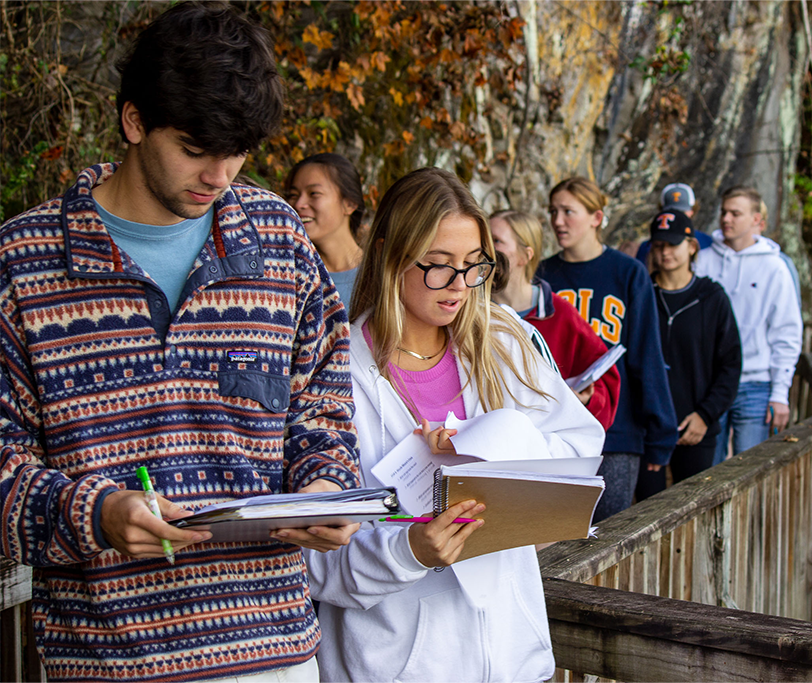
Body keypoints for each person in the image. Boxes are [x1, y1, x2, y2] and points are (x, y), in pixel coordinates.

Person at [0, 4, 360, 681]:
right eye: (196, 150)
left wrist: (326, 486)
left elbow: (323, 412)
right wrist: (96, 512)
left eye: (237, 153)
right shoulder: (23, 262)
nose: (220, 175)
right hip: (106, 661)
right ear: (135, 121)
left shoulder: (281, 241)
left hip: (274, 651)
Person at [305, 168, 604, 682]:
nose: (461, 286)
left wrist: (492, 443)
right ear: (388, 255)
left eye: (474, 265)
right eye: (439, 267)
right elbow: (315, 562)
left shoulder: (505, 340)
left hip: (512, 659)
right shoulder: (337, 370)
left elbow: (580, 447)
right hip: (395, 666)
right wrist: (410, 550)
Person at [536, 176, 676, 521]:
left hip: (616, 433)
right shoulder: (542, 275)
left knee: (609, 541)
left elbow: (646, 354)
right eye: (553, 211)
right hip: (554, 434)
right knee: (554, 542)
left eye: (569, 211)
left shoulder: (628, 273)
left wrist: (660, 433)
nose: (557, 221)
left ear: (596, 217)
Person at [634, 208, 742, 500]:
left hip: (695, 427)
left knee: (694, 508)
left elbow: (731, 365)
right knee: (645, 511)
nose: (665, 251)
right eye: (658, 245)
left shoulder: (712, 297)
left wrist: (705, 416)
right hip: (649, 428)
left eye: (672, 244)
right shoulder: (641, 295)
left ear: (692, 246)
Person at [695, 186, 802, 464]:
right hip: (711, 383)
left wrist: (780, 393)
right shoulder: (703, 260)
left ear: (757, 220)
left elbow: (786, 333)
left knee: (750, 468)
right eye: (724, 212)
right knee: (708, 471)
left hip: (755, 383)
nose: (726, 219)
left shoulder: (775, 268)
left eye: (735, 213)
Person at [490, 209, 621, 430]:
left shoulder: (560, 313)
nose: (485, 250)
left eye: (496, 241)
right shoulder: (469, 309)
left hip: (548, 445)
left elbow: (605, 381)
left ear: (525, 255)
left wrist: (587, 399)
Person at [284, 153, 366, 310]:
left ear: (350, 203)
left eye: (313, 193)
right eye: (293, 195)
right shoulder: (290, 275)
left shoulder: (381, 275)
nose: (299, 204)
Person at [634, 181, 712, 266]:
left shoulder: (707, 243)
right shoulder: (648, 246)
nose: (676, 217)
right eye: (671, 212)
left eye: (682, 212)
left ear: (692, 211)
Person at [755, 199, 802, 310]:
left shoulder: (782, 263)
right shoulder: (716, 256)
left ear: (761, 224)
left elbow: (792, 310)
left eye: (736, 215)